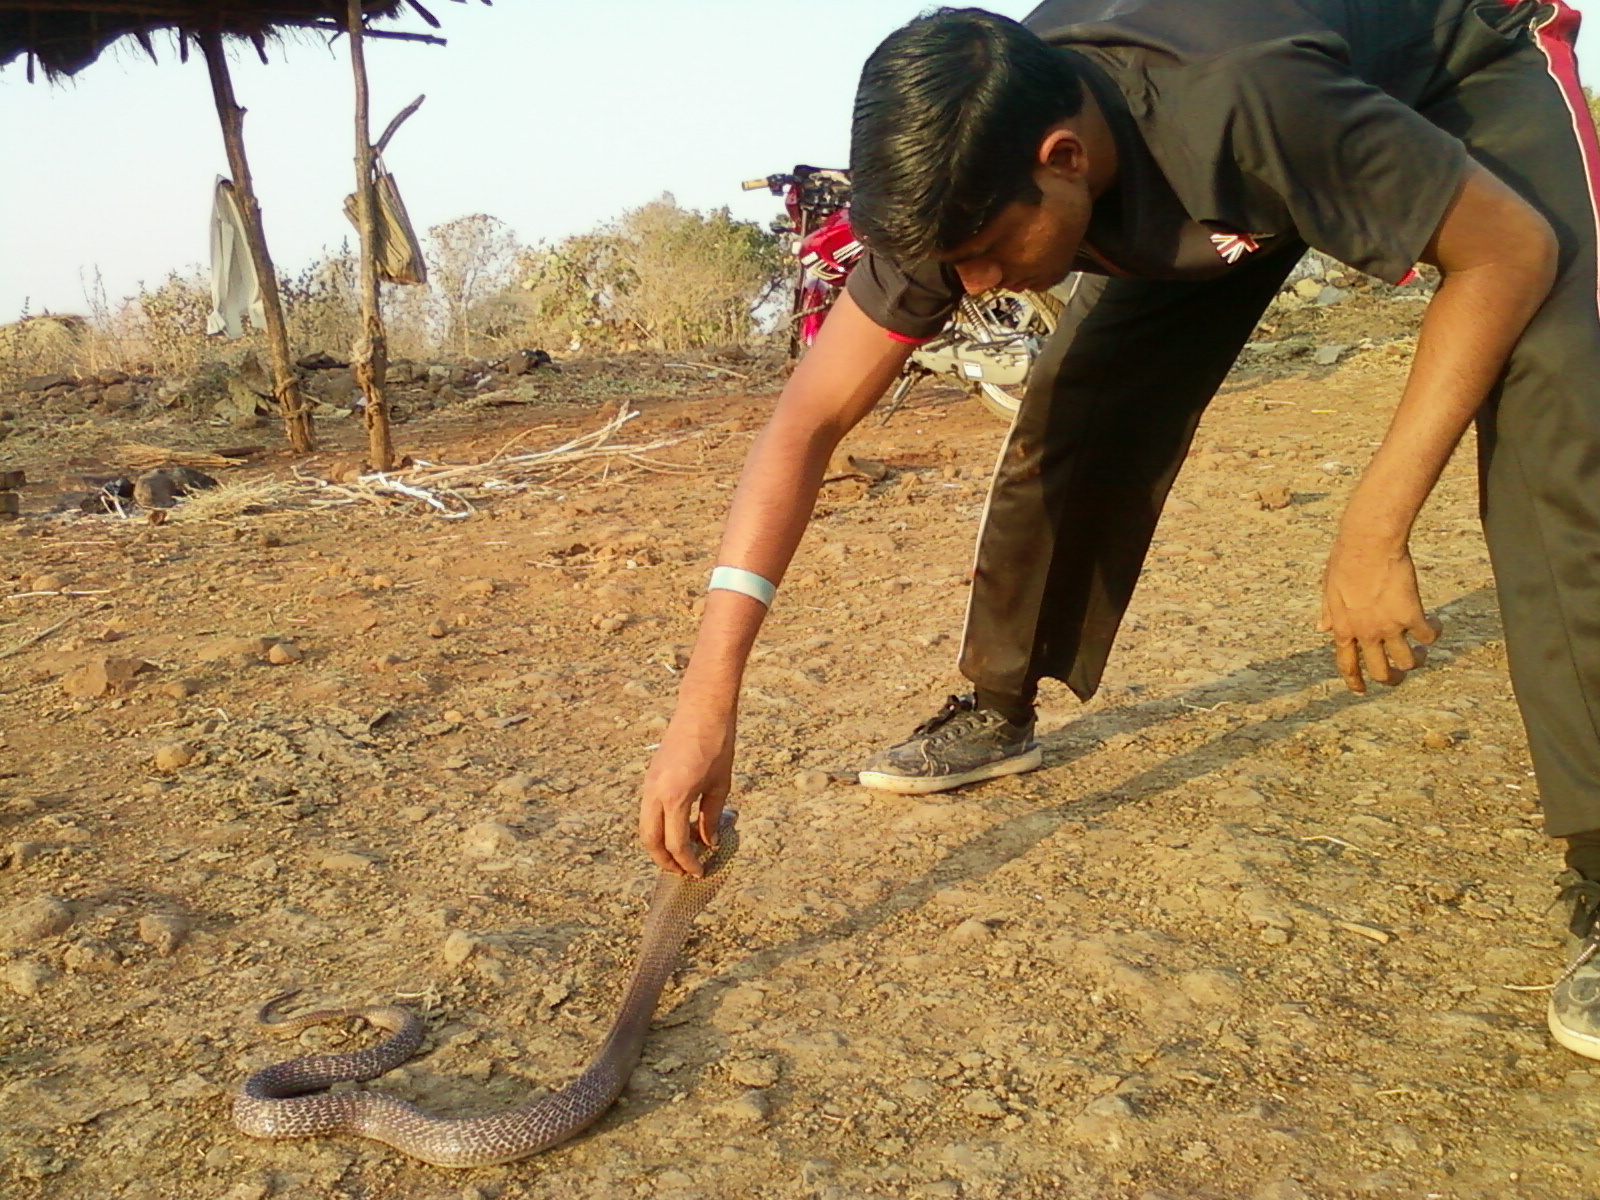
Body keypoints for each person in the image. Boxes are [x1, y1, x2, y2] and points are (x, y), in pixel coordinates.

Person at [639, 1, 1600, 1057]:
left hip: (1457, 51)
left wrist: (1372, 527)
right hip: (1234, 143)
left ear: (1063, 157)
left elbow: (1505, 251)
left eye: (986, 252)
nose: (973, 287)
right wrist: (704, 701)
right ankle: (998, 705)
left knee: (1562, 408)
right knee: (1081, 402)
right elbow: (806, 422)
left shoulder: (1237, 104)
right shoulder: (965, 163)